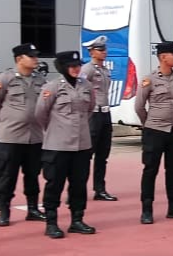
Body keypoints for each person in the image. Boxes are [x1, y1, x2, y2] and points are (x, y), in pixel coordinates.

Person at [35, 50, 97, 239]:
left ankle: (77, 220)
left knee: (79, 184)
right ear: (63, 67)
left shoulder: (86, 86)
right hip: (57, 145)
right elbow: (40, 113)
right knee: (54, 184)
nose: (76, 69)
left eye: (78, 65)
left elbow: (90, 109)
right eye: (72, 66)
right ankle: (51, 222)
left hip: (81, 145)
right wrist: (56, 130)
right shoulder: (52, 87)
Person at [0, 43, 46, 227]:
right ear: (19, 59)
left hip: (34, 137)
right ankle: (4, 210)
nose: (36, 59)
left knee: (33, 175)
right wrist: (7, 124)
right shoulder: (5, 79)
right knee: (7, 176)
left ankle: (33, 208)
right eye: (31, 56)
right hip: (10, 138)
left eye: (36, 56)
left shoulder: (40, 79)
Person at [135, 41, 173, 224]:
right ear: (163, 57)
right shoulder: (149, 80)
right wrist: (150, 123)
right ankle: (147, 210)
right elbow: (139, 107)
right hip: (154, 131)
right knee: (150, 170)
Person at [80, 35, 118, 201]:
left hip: (105, 113)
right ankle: (78, 188)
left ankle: (100, 189)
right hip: (93, 114)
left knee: (103, 154)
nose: (104, 52)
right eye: (100, 49)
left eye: (104, 49)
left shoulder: (105, 70)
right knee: (87, 154)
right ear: (91, 52)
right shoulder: (87, 69)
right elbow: (80, 89)